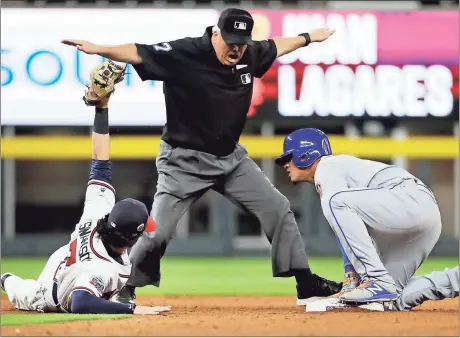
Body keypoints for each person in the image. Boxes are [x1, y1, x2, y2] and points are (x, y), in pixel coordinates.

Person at [61, 8, 342, 305]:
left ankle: (305, 282)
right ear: (216, 33)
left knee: (278, 207)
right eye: (230, 40)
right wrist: (97, 48)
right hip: (183, 162)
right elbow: (137, 52)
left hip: (231, 160)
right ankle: (127, 288)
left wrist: (309, 37)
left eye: (242, 42)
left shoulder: (248, 52)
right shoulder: (185, 52)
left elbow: (277, 45)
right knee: (157, 232)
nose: (236, 48)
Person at [1, 82, 171, 316]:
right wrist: (132, 309)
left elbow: (100, 163)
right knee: (16, 287)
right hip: (46, 295)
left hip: (66, 262)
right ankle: (5, 278)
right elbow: (81, 303)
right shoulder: (104, 269)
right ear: (132, 236)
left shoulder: (97, 214)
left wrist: (102, 108)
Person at [275, 128, 459, 310]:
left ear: (305, 155)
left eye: (287, 158)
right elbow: (344, 225)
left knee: (336, 202)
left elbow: (339, 210)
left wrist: (351, 277)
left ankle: (375, 279)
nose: (284, 164)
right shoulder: (336, 168)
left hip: (407, 199)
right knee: (387, 297)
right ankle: (455, 279)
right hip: (425, 216)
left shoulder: (327, 166)